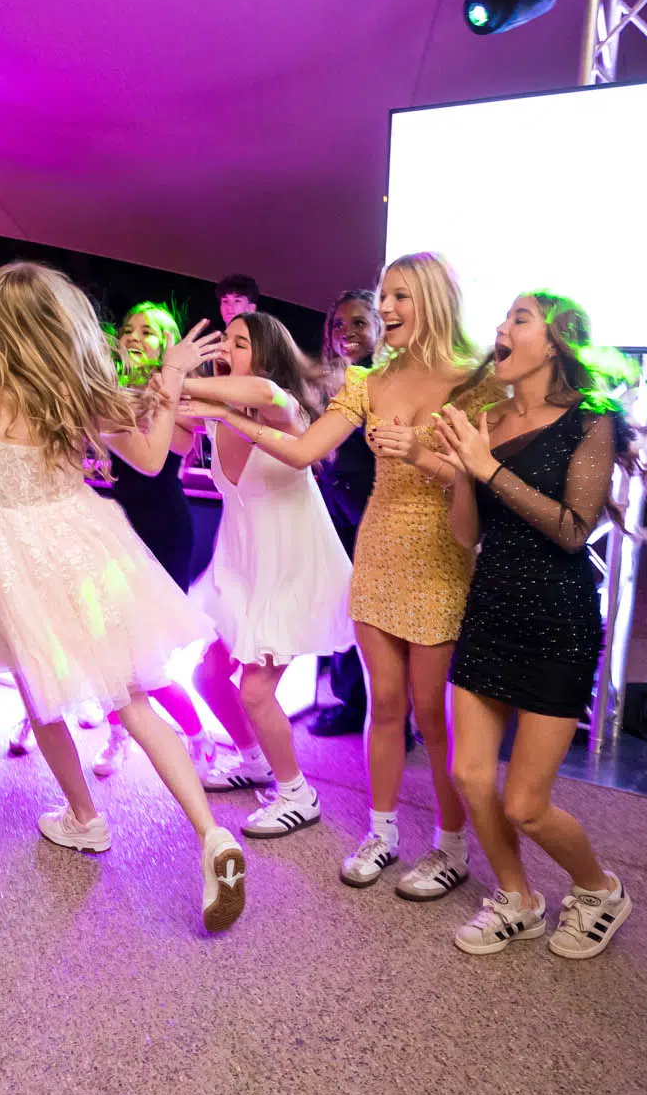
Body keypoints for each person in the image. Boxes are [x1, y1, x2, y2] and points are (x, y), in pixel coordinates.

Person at [0, 263, 246, 933]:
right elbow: (151, 460)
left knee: (39, 689)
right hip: (86, 536)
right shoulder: (72, 385)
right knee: (131, 697)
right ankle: (212, 835)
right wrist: (170, 379)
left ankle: (85, 818)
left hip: (19, 551)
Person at [204, 252, 504, 897]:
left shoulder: (476, 383)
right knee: (384, 703)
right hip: (376, 553)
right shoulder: (369, 381)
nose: (386, 308)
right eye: (383, 295)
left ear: (434, 301)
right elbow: (305, 451)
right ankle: (382, 832)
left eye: (400, 296)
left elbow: (484, 487)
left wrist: (421, 454)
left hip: (440, 555)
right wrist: (231, 419)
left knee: (431, 712)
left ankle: (450, 845)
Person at [409, 294, 647, 959]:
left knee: (525, 805)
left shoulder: (591, 420)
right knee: (471, 776)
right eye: (504, 319)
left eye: (519, 318)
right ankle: (517, 899)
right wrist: (463, 476)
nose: (501, 328)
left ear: (557, 341)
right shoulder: (487, 420)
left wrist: (486, 468)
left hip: (557, 619)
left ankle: (599, 889)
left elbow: (572, 529)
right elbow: (466, 536)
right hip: (490, 610)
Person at [178, 310, 354, 838]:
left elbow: (263, 391)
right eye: (225, 341)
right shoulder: (215, 413)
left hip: (291, 568)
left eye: (240, 342)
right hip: (241, 566)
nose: (226, 350)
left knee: (255, 691)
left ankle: (298, 794)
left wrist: (177, 374)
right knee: (207, 675)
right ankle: (254, 760)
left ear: (267, 355)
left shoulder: (281, 406)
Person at [89, 303, 218, 776]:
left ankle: (197, 736)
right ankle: (118, 734)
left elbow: (163, 452)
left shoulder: (180, 401)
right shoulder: (109, 395)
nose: (134, 337)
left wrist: (167, 386)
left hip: (162, 530)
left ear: (168, 346)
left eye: (148, 331)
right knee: (107, 647)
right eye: (129, 329)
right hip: (114, 527)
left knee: (144, 658)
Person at [312, 288, 383, 736]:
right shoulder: (333, 379)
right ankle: (351, 701)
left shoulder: (384, 380)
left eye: (358, 322)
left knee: (368, 607)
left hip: (371, 501)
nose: (346, 332)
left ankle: (376, 709)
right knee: (341, 600)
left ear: (379, 327)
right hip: (334, 497)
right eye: (338, 324)